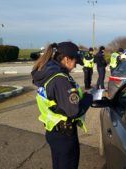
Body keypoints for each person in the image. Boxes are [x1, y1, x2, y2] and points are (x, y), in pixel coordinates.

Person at [31, 41, 93, 169]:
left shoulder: (47, 72)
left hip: (54, 131)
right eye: (75, 61)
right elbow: (74, 110)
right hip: (64, 136)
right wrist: (89, 97)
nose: (76, 65)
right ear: (66, 59)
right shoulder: (60, 79)